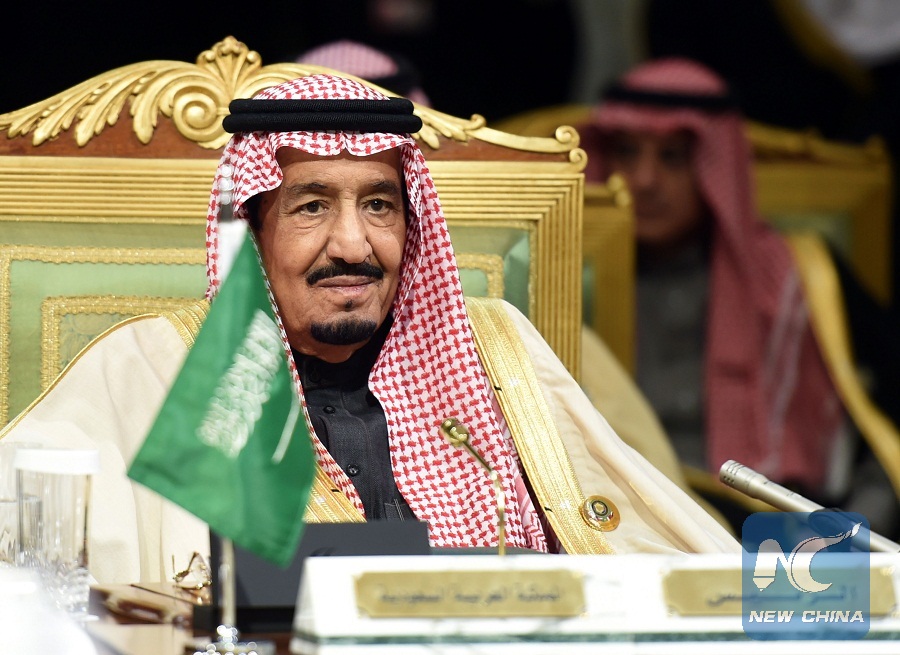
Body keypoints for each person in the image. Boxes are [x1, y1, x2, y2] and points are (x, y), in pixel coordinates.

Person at [0, 74, 737, 585]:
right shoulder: (154, 368)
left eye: (380, 206)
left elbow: (654, 553)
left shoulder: (492, 351)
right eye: (311, 206)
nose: (353, 245)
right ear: (253, 230)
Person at [580, 57, 899, 532]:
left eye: (672, 157)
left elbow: (888, 416)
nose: (643, 180)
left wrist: (858, 529)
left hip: (780, 526)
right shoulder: (572, 275)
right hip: (626, 524)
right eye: (627, 153)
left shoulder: (801, 273)